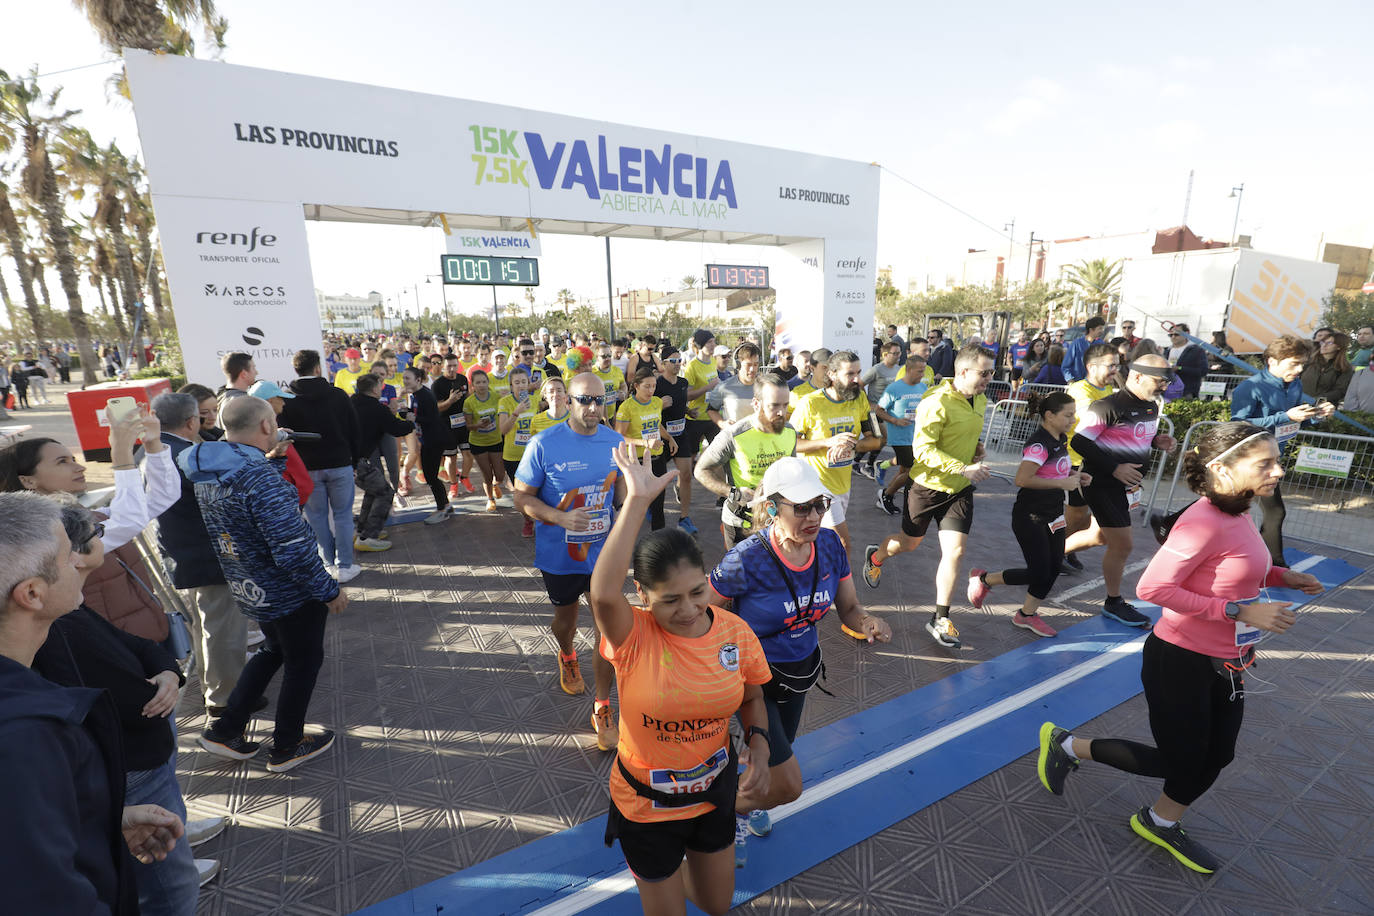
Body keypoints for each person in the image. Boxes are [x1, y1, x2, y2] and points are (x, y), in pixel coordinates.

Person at [1037, 422, 1323, 874]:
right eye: (1265, 463)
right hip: (1181, 661)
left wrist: (1282, 577)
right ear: (1223, 470)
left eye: (1277, 461)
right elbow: (1153, 587)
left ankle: (1159, 820)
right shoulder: (1202, 520)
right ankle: (1067, 745)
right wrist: (1237, 613)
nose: (1279, 471)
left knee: (1218, 754)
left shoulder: (1241, 511)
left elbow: (1234, 570)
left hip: (1228, 661)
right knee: (1179, 761)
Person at [587, 443, 770, 915]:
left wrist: (761, 747)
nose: (688, 610)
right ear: (642, 596)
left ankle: (675, 874)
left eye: (696, 592)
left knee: (716, 904)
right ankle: (660, 874)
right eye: (669, 600)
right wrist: (636, 503)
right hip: (646, 808)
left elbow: (752, 699)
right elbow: (602, 594)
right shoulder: (633, 637)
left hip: (714, 795)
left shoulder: (735, 632)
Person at [0, 492, 185, 915]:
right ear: (32, 593)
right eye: (68, 557)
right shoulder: (23, 735)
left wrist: (101, 818)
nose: (80, 562)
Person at [35, 503, 219, 912]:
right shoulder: (54, 626)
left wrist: (168, 672)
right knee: (170, 886)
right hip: (131, 764)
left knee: (170, 841)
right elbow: (107, 697)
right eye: (67, 552)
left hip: (142, 756)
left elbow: (131, 645)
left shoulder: (69, 604)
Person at [709, 457, 890, 864]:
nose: (815, 516)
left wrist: (868, 621)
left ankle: (748, 801)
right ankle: (727, 814)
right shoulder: (746, 558)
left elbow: (849, 608)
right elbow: (702, 612)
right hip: (752, 678)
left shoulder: (829, 546)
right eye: (802, 507)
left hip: (799, 673)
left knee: (776, 754)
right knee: (781, 768)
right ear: (772, 507)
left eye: (820, 504)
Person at [183, 396, 347, 772]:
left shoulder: (213, 469)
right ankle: (288, 744)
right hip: (288, 591)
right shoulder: (257, 479)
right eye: (273, 419)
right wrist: (329, 590)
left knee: (273, 650)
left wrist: (276, 459)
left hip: (249, 584)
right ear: (265, 427)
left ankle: (226, 729)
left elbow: (249, 504)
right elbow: (292, 549)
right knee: (302, 662)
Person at [513, 372, 625, 750]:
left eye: (599, 399)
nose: (593, 407)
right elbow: (522, 497)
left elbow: (623, 498)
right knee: (566, 621)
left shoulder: (616, 441)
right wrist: (560, 518)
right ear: (568, 401)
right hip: (559, 556)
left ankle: (602, 704)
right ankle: (566, 653)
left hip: (602, 556)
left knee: (607, 630)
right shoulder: (545, 443)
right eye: (584, 400)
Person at [863, 344, 993, 649]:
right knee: (908, 543)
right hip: (926, 487)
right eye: (984, 373)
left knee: (956, 552)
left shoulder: (981, 399)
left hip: (958, 490)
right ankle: (876, 555)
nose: (989, 378)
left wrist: (975, 449)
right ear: (963, 372)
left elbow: (963, 434)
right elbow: (923, 450)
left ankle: (940, 618)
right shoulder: (936, 401)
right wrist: (963, 466)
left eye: (991, 372)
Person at [1062, 355, 1178, 627]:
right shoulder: (1107, 406)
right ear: (1137, 376)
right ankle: (1113, 602)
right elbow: (1080, 441)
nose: (1164, 386)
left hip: (1127, 487)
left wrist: (1157, 440)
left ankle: (1049, 555)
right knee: (1123, 544)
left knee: (1099, 535)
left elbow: (1134, 436)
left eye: (1166, 381)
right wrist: (1115, 468)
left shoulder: (1150, 406)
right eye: (1160, 380)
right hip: (1102, 483)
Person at [149, 393, 247, 715]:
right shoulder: (186, 455)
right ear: (192, 421)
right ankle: (224, 701)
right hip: (208, 555)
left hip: (183, 553)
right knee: (222, 631)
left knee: (207, 627)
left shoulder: (150, 449)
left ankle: (216, 690)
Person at [967, 392, 1089, 637]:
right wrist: (1062, 484)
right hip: (1030, 516)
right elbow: (1023, 479)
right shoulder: (1039, 444)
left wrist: (1075, 477)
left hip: (1054, 513)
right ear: (1049, 416)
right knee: (1038, 572)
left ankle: (1026, 615)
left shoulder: (1061, 438)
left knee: (1054, 567)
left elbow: (1052, 474)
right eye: (1068, 415)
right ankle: (984, 580)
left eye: (1073, 414)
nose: (1073, 419)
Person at [1219, 335, 1330, 565]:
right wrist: (1285, 416)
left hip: (1269, 459)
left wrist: (1317, 415)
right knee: (1269, 511)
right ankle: (1275, 564)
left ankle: (1265, 560)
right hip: (1247, 461)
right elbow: (1239, 425)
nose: (1299, 370)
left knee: (1227, 506)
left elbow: (1295, 421)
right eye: (1293, 363)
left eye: (1302, 364)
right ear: (1272, 361)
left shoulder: (1295, 385)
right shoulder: (1249, 387)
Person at [280, 349, 363, 582]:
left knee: (316, 518)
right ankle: (345, 565)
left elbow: (285, 438)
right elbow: (355, 431)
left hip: (307, 469)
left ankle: (328, 563)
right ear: (318, 368)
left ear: (297, 369)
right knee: (343, 516)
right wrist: (354, 461)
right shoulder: (337, 395)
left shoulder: (287, 399)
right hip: (340, 464)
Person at [789, 350, 882, 551]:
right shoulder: (810, 403)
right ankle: (843, 582)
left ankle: (815, 577)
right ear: (831, 375)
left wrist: (851, 445)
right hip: (817, 486)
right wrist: (828, 442)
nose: (857, 379)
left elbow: (876, 441)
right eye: (850, 374)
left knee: (818, 543)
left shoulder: (859, 400)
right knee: (842, 543)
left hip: (842, 485)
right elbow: (790, 443)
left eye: (858, 372)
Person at [695, 372, 796, 546]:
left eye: (785, 405)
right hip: (740, 523)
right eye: (774, 406)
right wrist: (732, 493)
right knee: (742, 573)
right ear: (756, 404)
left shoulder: (790, 431)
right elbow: (700, 471)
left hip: (776, 520)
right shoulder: (733, 435)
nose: (782, 413)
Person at [1060, 343, 1119, 573]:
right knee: (1076, 515)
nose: (1115, 369)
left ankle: (1065, 549)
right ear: (1091, 367)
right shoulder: (1079, 391)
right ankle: (1052, 551)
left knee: (1083, 516)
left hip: (1095, 462)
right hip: (1076, 461)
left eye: (1117, 364)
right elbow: (1095, 421)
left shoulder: (1107, 390)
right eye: (1110, 365)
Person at [351, 374, 415, 548]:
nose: (382, 389)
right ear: (373, 389)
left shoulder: (351, 402)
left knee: (373, 491)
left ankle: (363, 531)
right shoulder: (377, 408)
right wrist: (410, 422)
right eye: (380, 386)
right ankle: (367, 537)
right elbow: (396, 428)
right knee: (386, 492)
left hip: (348, 459)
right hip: (357, 461)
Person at [616, 367, 676, 531]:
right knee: (635, 503)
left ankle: (658, 541)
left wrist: (669, 438)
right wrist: (644, 443)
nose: (651, 390)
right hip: (637, 462)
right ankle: (628, 539)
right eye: (647, 386)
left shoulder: (657, 402)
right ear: (636, 386)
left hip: (657, 458)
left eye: (654, 386)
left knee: (659, 501)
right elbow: (619, 437)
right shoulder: (626, 407)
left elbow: (656, 425)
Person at [874, 355, 930, 515]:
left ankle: (884, 497)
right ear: (909, 370)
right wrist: (895, 420)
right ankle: (886, 495)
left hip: (916, 436)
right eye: (919, 371)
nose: (922, 375)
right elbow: (878, 410)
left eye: (923, 371)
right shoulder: (894, 388)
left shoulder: (922, 388)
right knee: (913, 470)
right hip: (899, 437)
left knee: (904, 470)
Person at [498, 367, 539, 531]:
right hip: (513, 456)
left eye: (523, 382)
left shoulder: (535, 400)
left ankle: (540, 519)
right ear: (511, 385)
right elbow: (503, 430)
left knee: (537, 490)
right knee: (521, 493)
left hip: (534, 454)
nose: (521, 386)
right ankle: (528, 520)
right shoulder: (505, 402)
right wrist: (515, 413)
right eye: (517, 382)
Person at [431, 353, 474, 499]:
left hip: (464, 423)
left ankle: (465, 477)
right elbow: (436, 408)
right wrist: (449, 401)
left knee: (468, 454)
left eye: (455, 365)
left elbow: (467, 396)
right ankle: (454, 485)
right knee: (451, 458)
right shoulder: (437, 384)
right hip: (447, 425)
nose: (452, 369)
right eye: (449, 366)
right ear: (443, 366)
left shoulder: (462, 378)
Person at [464, 367, 506, 511]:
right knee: (487, 474)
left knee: (500, 475)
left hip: (496, 440)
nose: (481, 385)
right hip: (478, 442)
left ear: (488, 383)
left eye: (483, 382)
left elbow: (503, 414)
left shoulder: (496, 396)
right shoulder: (469, 402)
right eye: (478, 382)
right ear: (473, 385)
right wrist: (478, 425)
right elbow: (468, 426)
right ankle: (490, 499)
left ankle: (496, 485)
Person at [857, 342, 902, 477]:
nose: (898, 356)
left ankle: (857, 461)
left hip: (888, 411)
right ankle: (868, 465)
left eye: (899, 353)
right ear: (885, 355)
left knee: (881, 440)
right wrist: (868, 403)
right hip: (874, 411)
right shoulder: (876, 369)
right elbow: (860, 385)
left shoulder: (898, 369)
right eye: (895, 353)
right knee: (881, 438)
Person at [706, 342, 763, 429]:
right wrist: (722, 424)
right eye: (748, 365)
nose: (752, 369)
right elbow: (711, 410)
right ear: (738, 364)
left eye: (755, 364)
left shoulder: (765, 387)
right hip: (733, 439)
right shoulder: (725, 387)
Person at [1301, 331, 1354, 406]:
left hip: (1323, 408)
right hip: (1299, 403)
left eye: (1329, 343)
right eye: (1322, 343)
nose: (1324, 345)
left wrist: (1316, 400)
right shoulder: (1309, 361)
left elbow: (1340, 391)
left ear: (1339, 347)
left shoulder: (1344, 368)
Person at [1163, 324, 1208, 399]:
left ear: (1186, 334)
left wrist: (1179, 368)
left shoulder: (1196, 350)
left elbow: (1203, 371)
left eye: (1177, 334)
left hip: (1187, 391)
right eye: (1170, 335)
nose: (1173, 337)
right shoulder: (1167, 350)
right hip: (1167, 390)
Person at [590, 344, 628, 421]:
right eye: (604, 356)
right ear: (597, 357)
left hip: (612, 415)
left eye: (609, 355)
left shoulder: (617, 371)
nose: (607, 358)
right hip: (595, 417)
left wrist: (623, 392)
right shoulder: (591, 372)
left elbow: (623, 385)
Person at [1063, 316, 1106, 382]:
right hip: (1078, 384)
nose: (1102, 331)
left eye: (1102, 328)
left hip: (1095, 384)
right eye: (1100, 328)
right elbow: (1065, 366)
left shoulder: (1101, 344)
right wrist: (1071, 381)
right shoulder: (1076, 343)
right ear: (1091, 329)